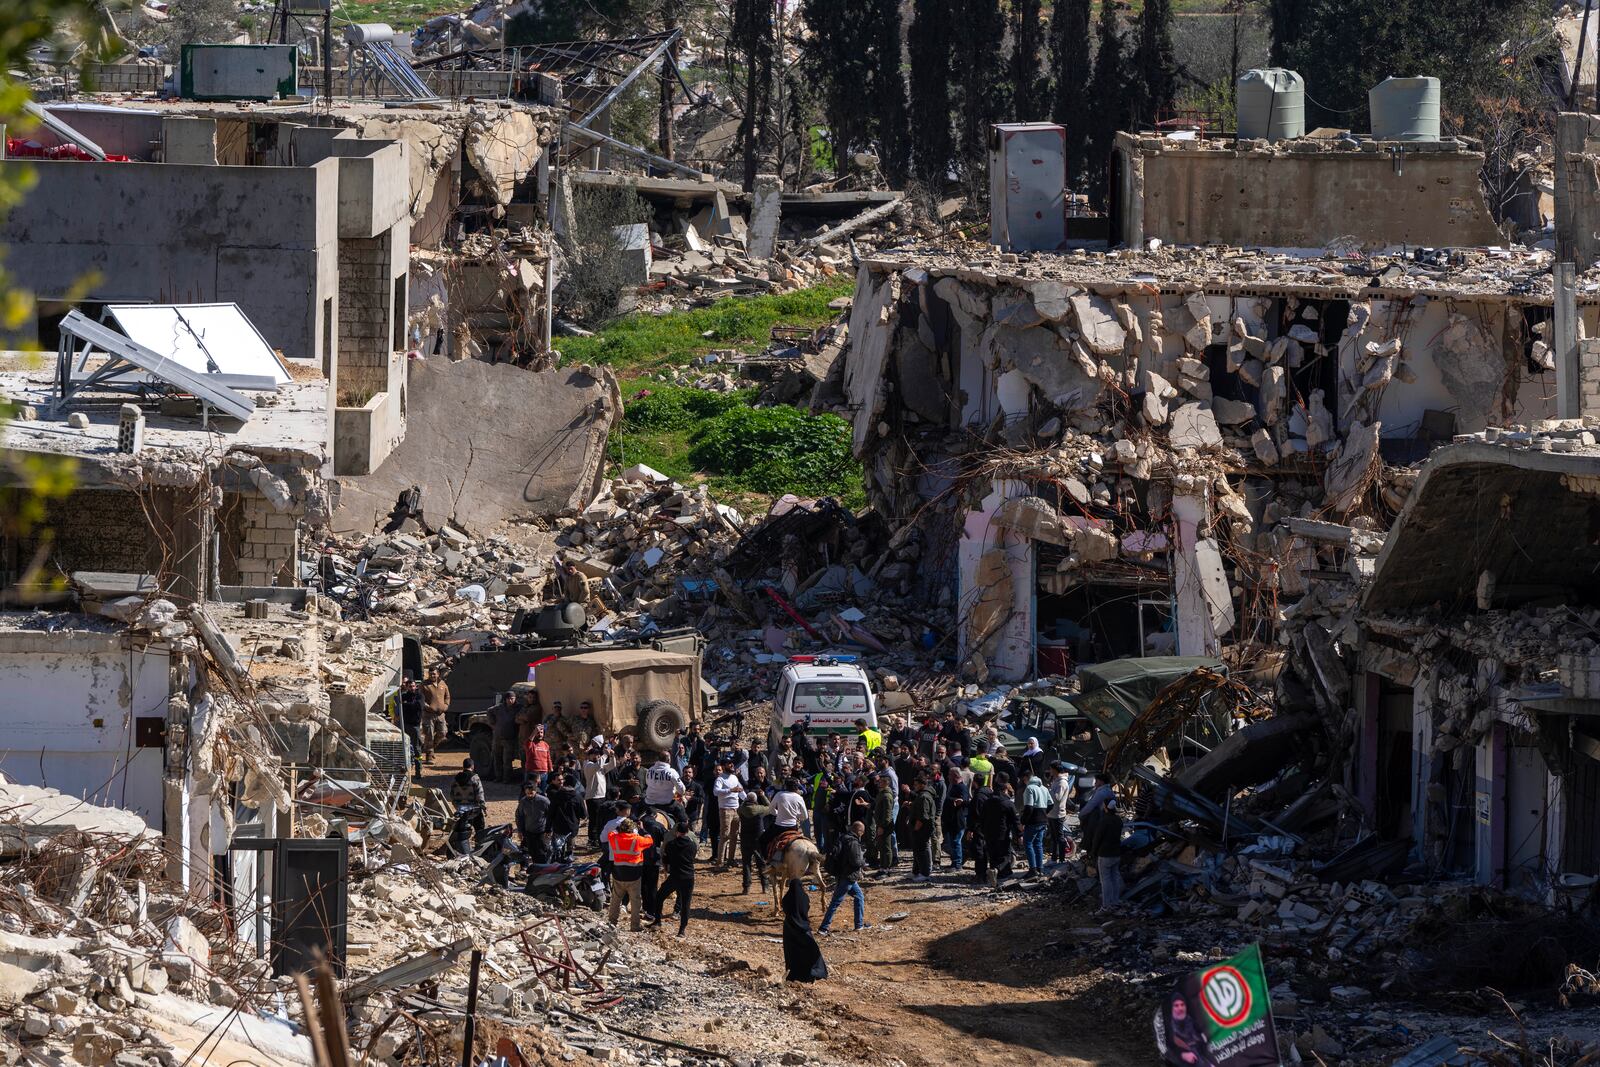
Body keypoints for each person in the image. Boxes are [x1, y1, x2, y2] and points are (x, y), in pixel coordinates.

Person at [818, 820, 869, 934]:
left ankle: (859, 925)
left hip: (842, 874)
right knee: (835, 902)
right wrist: (863, 861)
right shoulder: (854, 843)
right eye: (862, 832)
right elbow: (855, 861)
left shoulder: (843, 838)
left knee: (859, 896)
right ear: (859, 831)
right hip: (848, 876)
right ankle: (823, 928)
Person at [649, 820, 698, 936]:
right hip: (689, 877)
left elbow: (666, 861)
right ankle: (681, 930)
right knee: (686, 904)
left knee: (660, 896)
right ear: (687, 831)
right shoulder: (692, 845)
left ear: (676, 832)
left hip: (675, 876)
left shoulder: (671, 845)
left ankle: (657, 921)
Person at [605, 818, 654, 932]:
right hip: (634, 875)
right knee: (636, 902)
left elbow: (612, 833)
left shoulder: (615, 838)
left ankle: (612, 923)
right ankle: (634, 926)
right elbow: (650, 840)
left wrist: (619, 828)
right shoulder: (637, 840)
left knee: (615, 900)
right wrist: (642, 829)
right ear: (633, 829)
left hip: (618, 874)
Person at [781, 879, 828, 983]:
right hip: (803, 927)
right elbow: (805, 909)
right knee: (811, 950)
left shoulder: (786, 898)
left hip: (789, 927)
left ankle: (793, 975)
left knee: (791, 953)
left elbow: (785, 909)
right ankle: (814, 972)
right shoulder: (804, 897)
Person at [980, 780, 1020, 887]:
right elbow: (1015, 820)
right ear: (1005, 790)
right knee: (1005, 855)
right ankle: (997, 870)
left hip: (988, 832)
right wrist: (1019, 834)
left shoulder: (987, 802)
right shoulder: (1008, 803)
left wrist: (983, 830)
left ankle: (997, 874)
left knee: (993, 855)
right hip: (1003, 833)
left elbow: (982, 817)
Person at [1089, 796, 1124, 911]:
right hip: (1116, 853)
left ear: (1105, 807)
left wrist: (1093, 852)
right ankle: (1115, 901)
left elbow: (1097, 838)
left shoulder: (1104, 821)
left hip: (1105, 854)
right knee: (1115, 878)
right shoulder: (1118, 820)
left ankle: (1106, 905)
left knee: (1106, 881)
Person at [737, 788, 773, 894]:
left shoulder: (741, 810)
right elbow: (770, 807)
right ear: (755, 800)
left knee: (746, 863)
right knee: (761, 863)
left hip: (745, 838)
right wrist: (763, 796)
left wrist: (746, 799)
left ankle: (746, 887)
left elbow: (741, 806)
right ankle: (765, 886)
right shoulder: (759, 809)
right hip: (758, 839)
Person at [581, 739, 614, 849]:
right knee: (594, 820)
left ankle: (598, 839)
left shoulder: (599, 766)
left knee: (601, 819)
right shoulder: (588, 765)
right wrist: (605, 754)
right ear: (589, 756)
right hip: (593, 797)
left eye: (598, 755)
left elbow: (611, 765)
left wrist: (612, 756)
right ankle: (591, 840)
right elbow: (598, 765)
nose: (597, 756)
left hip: (601, 796)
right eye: (594, 755)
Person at [763, 777, 807, 857]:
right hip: (793, 827)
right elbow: (805, 816)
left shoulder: (779, 795)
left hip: (778, 827)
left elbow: (771, 809)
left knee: (762, 840)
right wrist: (795, 815)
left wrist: (778, 813)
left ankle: (765, 860)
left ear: (785, 786)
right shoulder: (799, 798)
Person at [546, 773, 584, 862]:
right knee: (570, 848)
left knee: (558, 849)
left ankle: (559, 863)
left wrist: (547, 828)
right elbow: (583, 814)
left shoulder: (556, 796)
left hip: (559, 826)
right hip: (572, 827)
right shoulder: (578, 797)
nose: (561, 782)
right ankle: (568, 862)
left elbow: (550, 813)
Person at [1020, 769, 1051, 875]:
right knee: (1038, 844)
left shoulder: (1029, 788)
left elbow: (1029, 807)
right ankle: (1040, 869)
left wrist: (1023, 821)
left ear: (1025, 778)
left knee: (1028, 843)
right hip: (1043, 820)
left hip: (1033, 821)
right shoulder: (1044, 788)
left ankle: (1032, 870)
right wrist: (1044, 813)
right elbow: (1051, 804)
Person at [449, 758, 487, 845]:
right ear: (472, 766)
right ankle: (479, 846)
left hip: (462, 811)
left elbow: (452, 795)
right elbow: (480, 793)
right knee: (480, 830)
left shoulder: (455, 779)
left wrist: (457, 806)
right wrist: (482, 806)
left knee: (463, 831)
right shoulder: (475, 777)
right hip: (474, 810)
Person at [907, 774, 938, 881]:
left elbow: (923, 817)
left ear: (922, 785)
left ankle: (925, 873)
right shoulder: (922, 795)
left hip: (923, 828)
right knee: (917, 850)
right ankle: (916, 871)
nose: (914, 786)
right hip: (920, 827)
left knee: (922, 850)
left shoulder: (924, 796)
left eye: (916, 784)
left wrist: (916, 829)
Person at [712, 761, 743, 867]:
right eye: (729, 763)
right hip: (725, 809)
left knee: (734, 836)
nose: (732, 765)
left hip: (736, 809)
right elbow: (715, 792)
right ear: (724, 766)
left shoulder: (734, 778)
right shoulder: (720, 778)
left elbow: (741, 791)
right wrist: (730, 790)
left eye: (732, 763)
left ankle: (731, 859)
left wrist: (749, 799)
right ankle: (720, 861)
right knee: (725, 836)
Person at [515, 779, 550, 866]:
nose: (529, 795)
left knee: (542, 853)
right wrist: (520, 831)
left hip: (541, 832)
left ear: (536, 791)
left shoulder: (544, 801)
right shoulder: (523, 802)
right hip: (529, 832)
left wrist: (549, 830)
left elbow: (551, 816)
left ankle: (543, 870)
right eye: (527, 793)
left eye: (531, 793)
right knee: (532, 852)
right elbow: (520, 817)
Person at [942, 765, 970, 869]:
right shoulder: (953, 786)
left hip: (959, 819)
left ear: (955, 776)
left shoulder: (961, 787)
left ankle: (957, 864)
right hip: (952, 819)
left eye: (949, 774)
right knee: (953, 841)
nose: (948, 776)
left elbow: (964, 801)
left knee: (956, 841)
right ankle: (956, 861)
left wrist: (955, 801)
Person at [640, 750, 683, 817]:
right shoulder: (672, 772)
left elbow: (648, 783)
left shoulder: (650, 770)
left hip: (649, 803)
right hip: (666, 804)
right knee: (683, 817)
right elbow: (681, 790)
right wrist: (676, 794)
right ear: (669, 760)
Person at [489, 691, 520, 783]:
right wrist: (492, 722)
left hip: (509, 738)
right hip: (498, 737)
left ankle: (507, 779)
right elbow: (489, 711)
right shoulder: (500, 707)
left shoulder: (518, 708)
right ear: (505, 699)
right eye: (508, 699)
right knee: (497, 758)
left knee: (507, 760)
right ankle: (498, 777)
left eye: (512, 698)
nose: (510, 700)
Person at [420, 669, 450, 762]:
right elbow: (420, 698)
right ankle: (429, 755)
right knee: (429, 735)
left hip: (441, 714)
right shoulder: (424, 684)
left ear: (438, 674)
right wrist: (427, 707)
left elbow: (447, 696)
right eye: (430, 674)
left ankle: (431, 748)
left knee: (443, 732)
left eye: (434, 674)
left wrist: (446, 706)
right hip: (428, 714)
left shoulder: (443, 684)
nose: (432, 675)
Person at [1047, 763, 1073, 864]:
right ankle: (1054, 858)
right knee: (1054, 838)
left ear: (1055, 770)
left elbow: (1057, 798)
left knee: (1059, 838)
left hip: (1058, 814)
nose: (1050, 771)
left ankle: (1061, 858)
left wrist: (1049, 791)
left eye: (1051, 769)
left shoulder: (1062, 783)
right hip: (1052, 813)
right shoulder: (1056, 781)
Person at [399, 677, 424, 776]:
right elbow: (401, 706)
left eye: (413, 686)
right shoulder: (404, 696)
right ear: (407, 687)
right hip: (405, 725)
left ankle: (418, 771)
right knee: (404, 748)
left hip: (415, 726)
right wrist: (411, 705)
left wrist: (408, 705)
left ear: (416, 686)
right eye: (410, 686)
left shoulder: (420, 696)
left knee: (417, 749)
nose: (412, 688)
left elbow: (419, 706)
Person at [523, 724, 553, 789]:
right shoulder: (530, 744)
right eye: (538, 732)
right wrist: (535, 731)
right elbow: (528, 742)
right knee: (530, 791)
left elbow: (548, 758)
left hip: (544, 773)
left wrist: (550, 768)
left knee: (542, 792)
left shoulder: (545, 745)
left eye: (541, 732)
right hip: (532, 773)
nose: (540, 734)